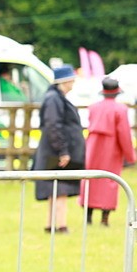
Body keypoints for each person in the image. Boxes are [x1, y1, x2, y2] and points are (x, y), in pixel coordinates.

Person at [34, 65, 85, 233]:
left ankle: (51, 224)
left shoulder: (56, 97)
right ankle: (61, 225)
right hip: (55, 152)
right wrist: (63, 150)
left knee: (55, 189)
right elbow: (53, 126)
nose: (74, 82)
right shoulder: (54, 99)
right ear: (65, 81)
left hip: (54, 150)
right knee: (60, 189)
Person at [79, 76, 136, 226]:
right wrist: (131, 156)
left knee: (91, 178)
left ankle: (88, 216)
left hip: (93, 145)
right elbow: (124, 134)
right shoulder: (120, 109)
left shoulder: (93, 107)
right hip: (111, 147)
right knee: (110, 180)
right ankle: (104, 218)